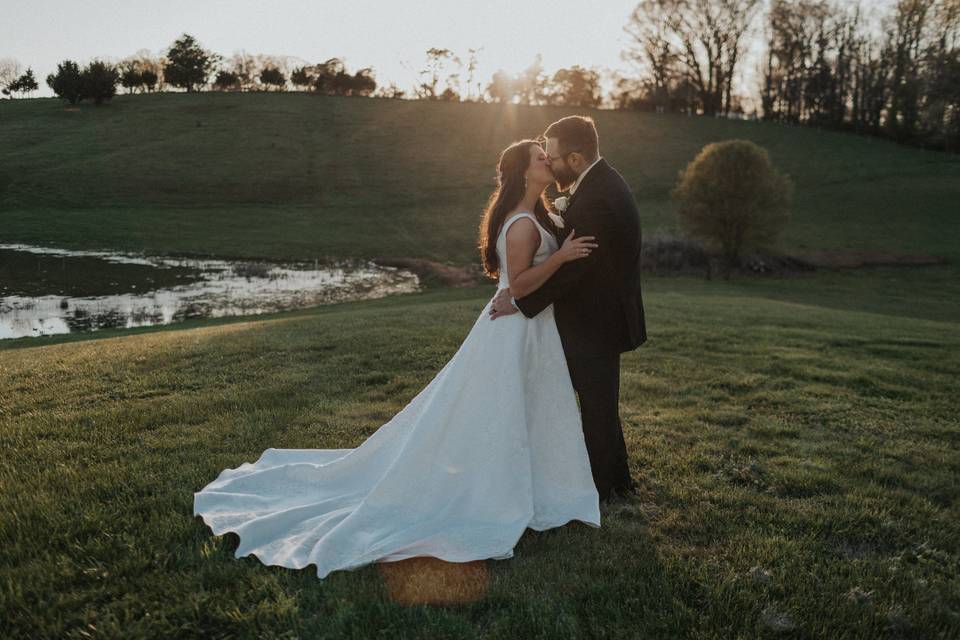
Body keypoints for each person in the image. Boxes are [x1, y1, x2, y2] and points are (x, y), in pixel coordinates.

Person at [194, 139, 604, 580]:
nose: (549, 161)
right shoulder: (521, 225)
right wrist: (561, 257)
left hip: (526, 330)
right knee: (498, 412)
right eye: (541, 158)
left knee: (520, 410)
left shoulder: (535, 215)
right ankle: (491, 492)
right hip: (514, 330)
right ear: (525, 172)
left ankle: (533, 488)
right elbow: (519, 286)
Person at [488, 115, 647, 501]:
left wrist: (523, 299)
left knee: (596, 406)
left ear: (575, 160)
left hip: (596, 319)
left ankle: (607, 487)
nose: (549, 162)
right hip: (596, 317)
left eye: (553, 157)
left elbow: (579, 264)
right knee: (597, 405)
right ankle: (613, 482)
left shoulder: (597, 197)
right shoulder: (598, 185)